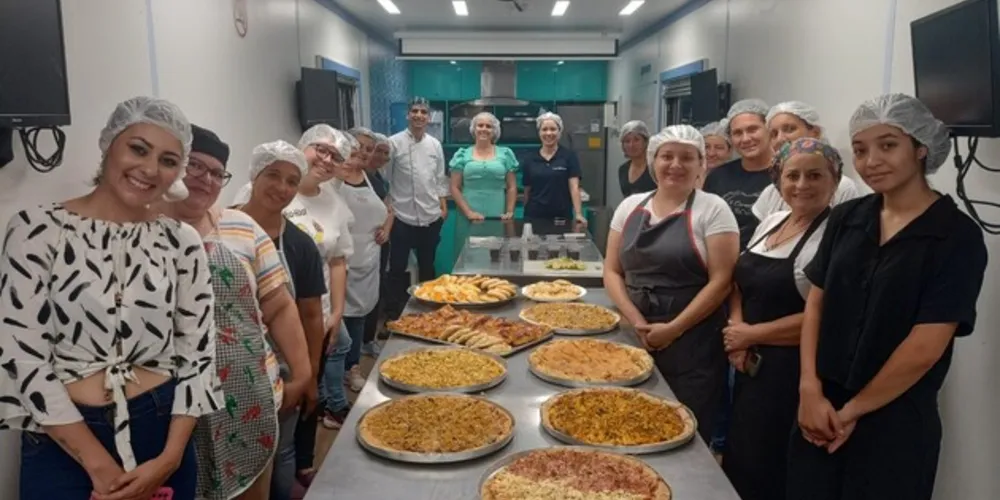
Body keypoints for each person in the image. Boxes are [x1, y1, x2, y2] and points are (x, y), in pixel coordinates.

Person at [0, 96, 221, 499]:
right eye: (138, 149)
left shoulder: (181, 241)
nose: (150, 169)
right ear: (109, 144)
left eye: (168, 160)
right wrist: (101, 469)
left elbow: (198, 353)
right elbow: (22, 356)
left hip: (162, 430)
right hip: (64, 438)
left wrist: (170, 459)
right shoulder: (36, 230)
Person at [787, 94, 988, 500]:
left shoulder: (955, 236)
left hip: (895, 422)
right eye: (860, 150)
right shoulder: (847, 217)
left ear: (921, 148)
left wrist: (852, 411)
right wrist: (809, 388)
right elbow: (817, 303)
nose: (871, 161)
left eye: (888, 145)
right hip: (820, 409)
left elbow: (925, 346)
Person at [158, 125, 312, 500]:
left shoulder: (241, 227)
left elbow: (279, 306)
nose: (206, 179)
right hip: (169, 406)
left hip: (249, 396)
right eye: (195, 166)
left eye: (216, 173)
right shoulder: (142, 231)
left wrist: (302, 372)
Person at [721, 138, 843, 500]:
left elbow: (827, 316)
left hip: (795, 373)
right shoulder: (773, 221)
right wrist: (737, 333)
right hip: (750, 366)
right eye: (792, 176)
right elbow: (739, 282)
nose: (801, 185)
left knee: (775, 467)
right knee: (742, 459)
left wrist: (751, 334)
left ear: (835, 180)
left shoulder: (835, 234)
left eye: (815, 175)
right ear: (778, 180)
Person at [604, 125, 739, 441]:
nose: (675, 165)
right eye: (667, 156)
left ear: (700, 164)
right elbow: (611, 270)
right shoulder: (630, 206)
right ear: (654, 160)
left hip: (692, 342)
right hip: (633, 333)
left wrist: (674, 328)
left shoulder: (713, 209)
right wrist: (635, 320)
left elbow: (722, 281)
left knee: (684, 431)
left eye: (687, 158)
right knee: (622, 423)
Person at [231, 140, 329, 500]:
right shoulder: (220, 228)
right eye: (273, 175)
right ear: (254, 176)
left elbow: (311, 315)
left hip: (285, 371)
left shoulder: (300, 245)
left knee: (281, 449)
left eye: (291, 181)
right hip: (229, 368)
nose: (282, 188)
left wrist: (309, 376)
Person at [384, 97, 449, 320]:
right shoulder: (393, 143)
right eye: (415, 111)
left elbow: (439, 178)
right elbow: (387, 177)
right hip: (402, 216)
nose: (419, 115)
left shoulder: (435, 144)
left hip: (430, 215)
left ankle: (427, 311)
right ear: (408, 115)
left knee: (427, 266)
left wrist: (443, 205)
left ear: (429, 117)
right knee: (397, 268)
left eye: (423, 112)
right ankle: (394, 314)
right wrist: (389, 207)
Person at [340, 128, 392, 392]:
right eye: (359, 146)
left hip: (369, 256)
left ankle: (353, 367)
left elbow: (389, 209)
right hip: (341, 258)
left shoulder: (372, 179)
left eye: (369, 149)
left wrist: (387, 229)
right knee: (338, 316)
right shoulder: (334, 179)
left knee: (359, 315)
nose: (364, 152)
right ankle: (334, 374)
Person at [752, 101, 865, 220]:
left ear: (815, 133)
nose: (780, 139)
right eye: (774, 134)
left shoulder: (844, 188)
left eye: (789, 129)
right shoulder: (771, 193)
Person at [703, 99, 775, 249]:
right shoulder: (718, 177)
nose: (745, 139)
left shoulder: (786, 175)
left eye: (752, 129)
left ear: (769, 129)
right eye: (737, 133)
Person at [450, 112, 519, 220]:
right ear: (474, 129)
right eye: (480, 125)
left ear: (495, 130)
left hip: (497, 212)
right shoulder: (462, 155)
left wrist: (510, 211)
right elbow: (454, 187)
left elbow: (512, 187)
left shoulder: (506, 154)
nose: (484, 129)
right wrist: (469, 213)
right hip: (467, 214)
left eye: (488, 126)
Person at [522, 112, 587, 226]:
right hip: (534, 216)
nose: (548, 133)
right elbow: (527, 190)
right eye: (544, 129)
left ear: (559, 132)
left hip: (561, 216)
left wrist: (578, 214)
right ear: (539, 132)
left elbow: (574, 187)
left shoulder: (569, 156)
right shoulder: (530, 158)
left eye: (553, 129)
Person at [617, 120, 656, 197]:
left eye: (636, 140)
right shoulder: (623, 169)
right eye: (627, 141)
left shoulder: (654, 167)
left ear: (646, 142)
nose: (631, 145)